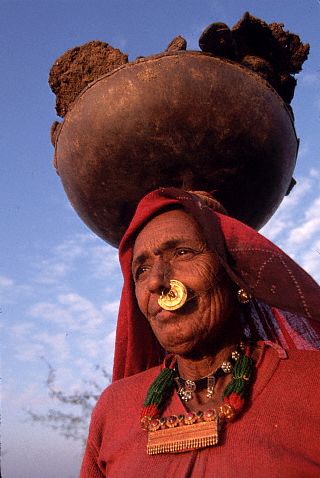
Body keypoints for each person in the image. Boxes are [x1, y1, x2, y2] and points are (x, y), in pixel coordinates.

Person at [79, 187, 320, 478]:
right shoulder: (113, 408)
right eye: (141, 270)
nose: (156, 281)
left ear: (235, 278)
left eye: (182, 252)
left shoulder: (312, 383)